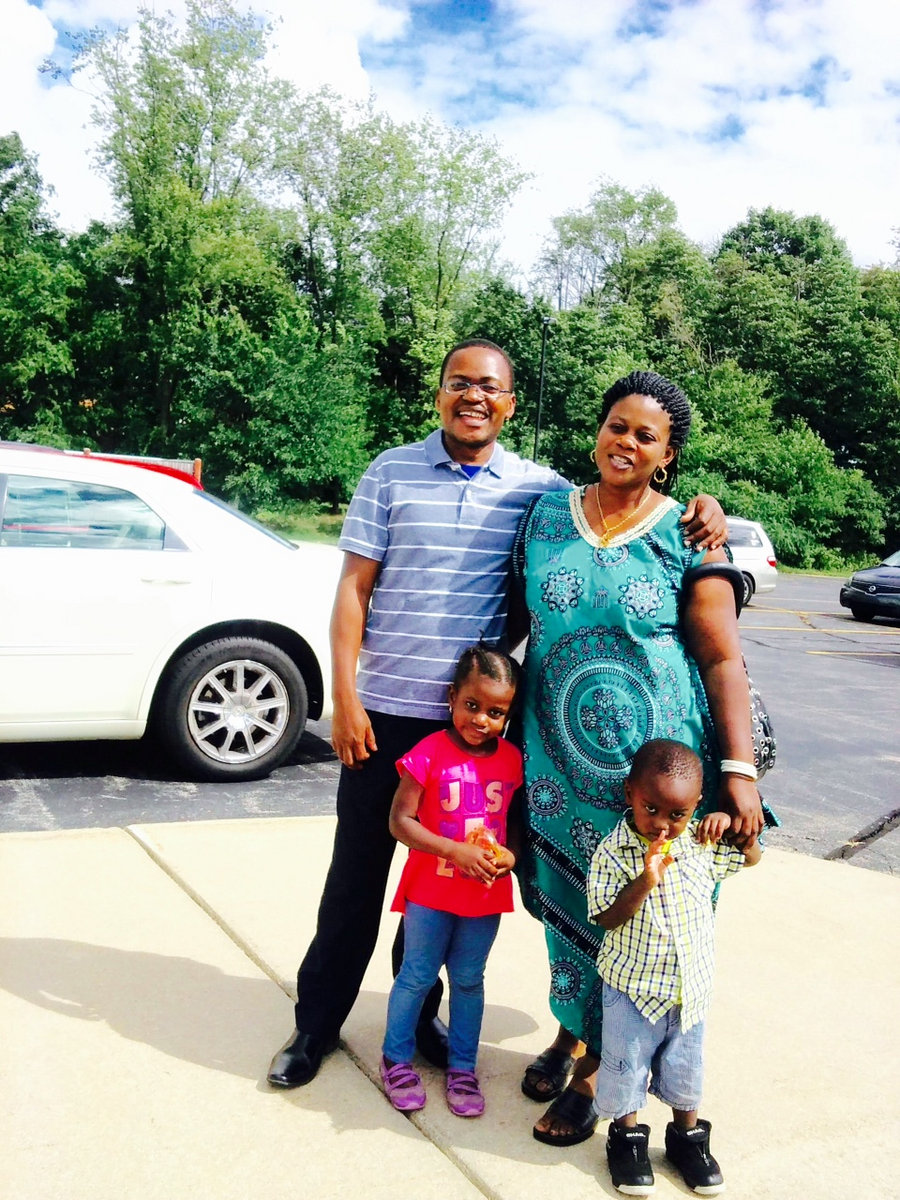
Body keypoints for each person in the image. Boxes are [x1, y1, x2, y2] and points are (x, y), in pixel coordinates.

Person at [267, 344, 726, 1090]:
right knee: (355, 878)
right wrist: (345, 697)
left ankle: (417, 1019)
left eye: (490, 387)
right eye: (460, 383)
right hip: (383, 717)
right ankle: (315, 1024)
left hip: (473, 731)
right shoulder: (390, 472)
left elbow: (625, 507)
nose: (473, 397)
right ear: (440, 393)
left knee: (442, 883)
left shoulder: (537, 491)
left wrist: (708, 507)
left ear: (510, 404)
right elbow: (353, 589)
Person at [512, 369, 766, 1146]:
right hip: (558, 766)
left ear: (668, 453)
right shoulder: (545, 516)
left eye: (645, 435)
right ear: (599, 430)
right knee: (571, 911)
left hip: (654, 780)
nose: (626, 442)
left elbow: (721, 658)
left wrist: (739, 773)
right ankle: (571, 1033)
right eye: (616, 425)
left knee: (641, 924)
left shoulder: (688, 535)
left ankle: (598, 1076)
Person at [587, 738, 761, 1196]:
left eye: (677, 814)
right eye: (651, 809)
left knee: (686, 1070)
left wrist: (736, 831)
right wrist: (645, 879)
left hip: (689, 990)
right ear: (630, 794)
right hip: (632, 989)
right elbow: (605, 917)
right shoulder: (614, 852)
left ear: (695, 807)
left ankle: (687, 1139)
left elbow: (751, 859)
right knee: (625, 1068)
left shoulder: (701, 842)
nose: (662, 824)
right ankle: (626, 1140)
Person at [380, 645, 521, 1118]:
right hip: (430, 893)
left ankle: (462, 1068)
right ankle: (396, 1060)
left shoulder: (512, 761)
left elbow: (514, 829)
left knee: (468, 980)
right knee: (416, 976)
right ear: (452, 698)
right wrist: (452, 850)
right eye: (471, 705)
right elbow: (400, 821)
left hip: (483, 897)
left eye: (495, 712)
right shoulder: (429, 753)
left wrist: (509, 856)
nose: (481, 719)